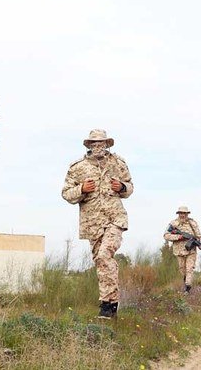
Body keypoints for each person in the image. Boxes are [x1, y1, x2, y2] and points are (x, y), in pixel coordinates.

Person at [61, 129, 134, 319]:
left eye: (101, 143)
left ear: (108, 144)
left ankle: (106, 304)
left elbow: (130, 187)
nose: (98, 146)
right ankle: (112, 303)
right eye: (94, 143)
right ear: (88, 145)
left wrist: (122, 187)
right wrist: (81, 189)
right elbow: (66, 194)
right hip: (92, 224)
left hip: (115, 219)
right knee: (101, 262)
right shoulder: (77, 167)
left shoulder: (118, 164)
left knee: (104, 255)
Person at [163, 206, 201, 293]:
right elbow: (166, 235)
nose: (182, 215)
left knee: (189, 269)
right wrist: (179, 237)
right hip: (179, 251)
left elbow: (198, 236)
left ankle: (188, 288)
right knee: (183, 270)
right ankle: (186, 284)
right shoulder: (173, 224)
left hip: (191, 251)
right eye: (181, 213)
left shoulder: (192, 223)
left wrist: (200, 245)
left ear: (187, 214)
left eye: (184, 213)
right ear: (178, 214)